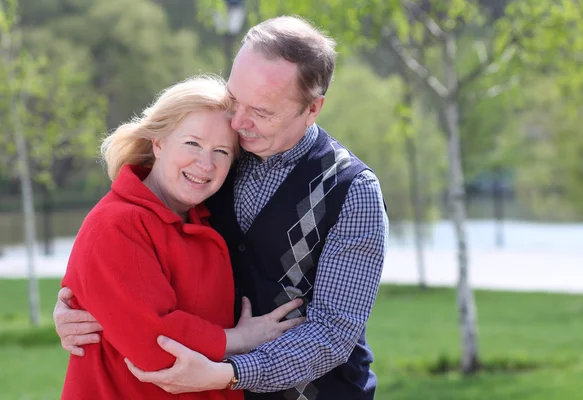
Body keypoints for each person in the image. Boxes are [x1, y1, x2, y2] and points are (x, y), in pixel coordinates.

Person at [54, 16, 389, 400]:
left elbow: (332, 334)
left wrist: (229, 372)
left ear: (312, 109)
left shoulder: (353, 190)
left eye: (262, 112)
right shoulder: (212, 161)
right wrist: (82, 304)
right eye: (235, 100)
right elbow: (131, 248)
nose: (240, 122)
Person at [58, 75, 304, 400]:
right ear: (158, 143)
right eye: (192, 143)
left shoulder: (204, 217)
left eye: (221, 151)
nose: (205, 163)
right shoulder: (117, 224)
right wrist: (239, 339)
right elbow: (157, 346)